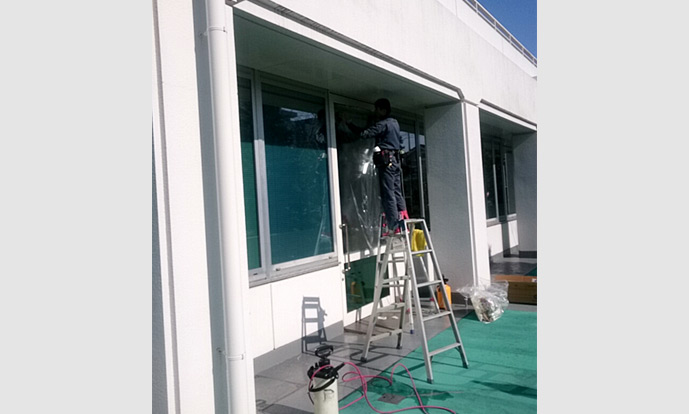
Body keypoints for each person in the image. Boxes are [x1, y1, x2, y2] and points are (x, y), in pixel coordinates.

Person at [346, 98, 408, 235]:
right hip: (395, 160)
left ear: (383, 110)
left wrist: (349, 123)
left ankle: (394, 226)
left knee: (388, 192)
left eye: (377, 109)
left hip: (387, 161)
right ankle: (404, 220)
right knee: (397, 191)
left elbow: (364, 134)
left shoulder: (383, 125)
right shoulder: (394, 123)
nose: (375, 112)